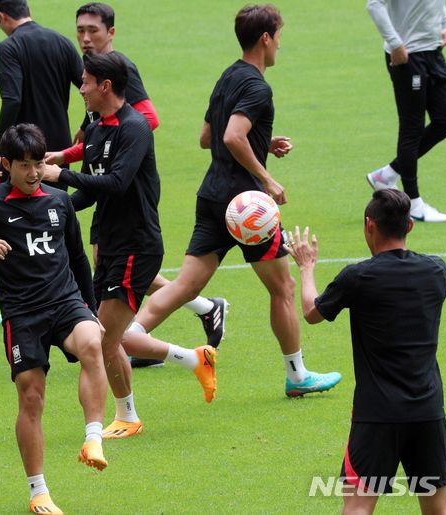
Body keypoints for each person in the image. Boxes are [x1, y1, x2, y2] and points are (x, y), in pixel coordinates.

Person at [123, 4, 341, 399]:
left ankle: (132, 334)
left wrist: (262, 141)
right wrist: (267, 178)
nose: (279, 44)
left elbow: (208, 136)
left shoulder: (228, 76)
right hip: (247, 209)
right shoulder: (258, 86)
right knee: (284, 288)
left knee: (188, 285)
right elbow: (230, 138)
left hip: (212, 195)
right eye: (279, 36)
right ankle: (297, 375)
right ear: (265, 38)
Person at [43, 52, 217, 439]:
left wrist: (62, 175)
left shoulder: (134, 128)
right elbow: (90, 193)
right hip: (108, 241)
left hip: (136, 244)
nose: (82, 88)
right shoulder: (96, 128)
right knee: (108, 336)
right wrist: (51, 209)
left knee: (103, 336)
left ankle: (128, 416)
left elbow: (118, 183)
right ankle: (192, 360)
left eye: (86, 82)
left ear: (105, 86)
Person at [45, 2, 228, 367]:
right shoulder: (94, 84)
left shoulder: (120, 75)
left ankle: (188, 325)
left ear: (111, 32)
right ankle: (196, 327)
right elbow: (100, 138)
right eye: (80, 30)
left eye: (93, 30)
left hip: (127, 200)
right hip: (107, 197)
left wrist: (67, 160)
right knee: (109, 295)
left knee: (107, 323)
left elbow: (147, 118)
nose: (84, 37)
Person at [0, 124, 108, 514]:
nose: (34, 173)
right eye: (24, 166)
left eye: (38, 164)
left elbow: (79, 258)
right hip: (23, 314)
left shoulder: (59, 202)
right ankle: (39, 492)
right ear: (6, 165)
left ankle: (93, 437)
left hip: (66, 301)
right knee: (32, 398)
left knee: (91, 343)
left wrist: (92, 307)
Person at [285, 189, 446, 514]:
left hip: (377, 415)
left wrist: (306, 266)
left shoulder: (358, 277)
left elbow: (311, 312)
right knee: (437, 509)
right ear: (410, 226)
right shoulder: (437, 272)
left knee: (358, 508)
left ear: (368, 225)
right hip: (428, 411)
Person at [365, 0, 446, 223]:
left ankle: (387, 175)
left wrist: (445, 22)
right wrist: (395, 43)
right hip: (408, 55)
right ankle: (413, 203)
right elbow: (374, 4)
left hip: (433, 51)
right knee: (411, 128)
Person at [0, 0, 83, 188]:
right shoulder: (63, 42)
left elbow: (12, 99)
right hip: (58, 150)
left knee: (16, 212)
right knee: (54, 210)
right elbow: (89, 88)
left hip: (23, 150)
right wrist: (87, 126)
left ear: (1, 17)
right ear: (27, 10)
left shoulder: (8, 47)